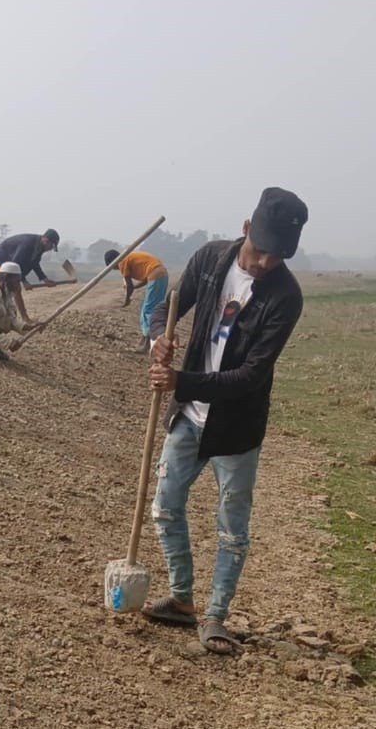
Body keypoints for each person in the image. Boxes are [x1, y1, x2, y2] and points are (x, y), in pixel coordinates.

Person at [142, 187, 309, 655]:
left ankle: (215, 616)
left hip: (236, 427)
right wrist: (160, 336)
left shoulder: (286, 296)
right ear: (245, 229)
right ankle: (182, 600)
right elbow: (164, 309)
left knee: (231, 528)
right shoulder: (211, 260)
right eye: (260, 251)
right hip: (190, 418)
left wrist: (181, 381)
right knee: (165, 505)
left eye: (277, 257)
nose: (264, 264)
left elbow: (250, 377)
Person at [104, 248, 168, 353]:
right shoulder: (128, 257)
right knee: (151, 309)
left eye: (113, 267)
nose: (116, 269)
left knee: (148, 311)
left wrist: (127, 299)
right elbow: (144, 279)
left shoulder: (122, 261)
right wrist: (134, 287)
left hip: (156, 276)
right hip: (161, 275)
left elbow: (129, 285)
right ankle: (145, 340)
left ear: (113, 262)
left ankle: (146, 344)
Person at [0, 228, 60, 323]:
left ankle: (12, 316)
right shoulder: (27, 244)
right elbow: (16, 264)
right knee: (12, 288)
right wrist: (24, 281)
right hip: (2, 257)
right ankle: (23, 318)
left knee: (13, 289)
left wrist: (45, 279)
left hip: (13, 261)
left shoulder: (40, 247)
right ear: (46, 240)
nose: (50, 249)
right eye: (51, 246)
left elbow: (35, 263)